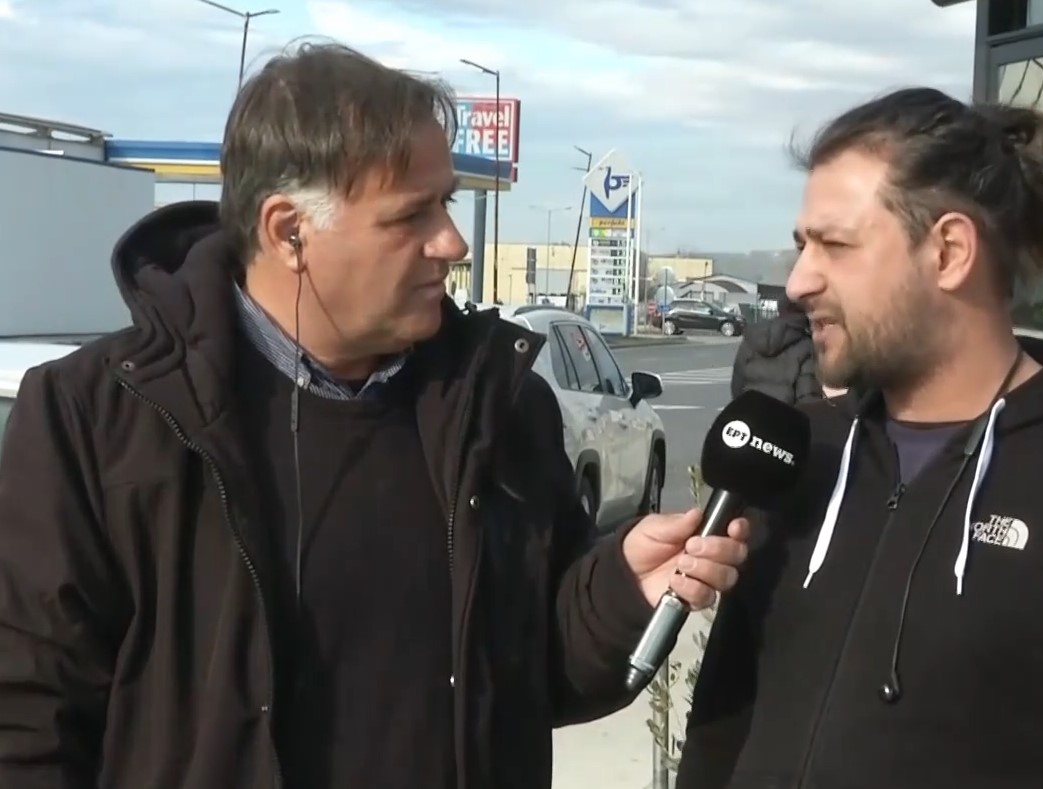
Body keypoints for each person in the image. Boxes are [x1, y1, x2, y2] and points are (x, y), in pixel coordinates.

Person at [0, 43, 752, 789]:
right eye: (410, 216)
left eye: (445, 203)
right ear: (289, 231)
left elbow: (530, 677)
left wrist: (618, 590)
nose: (452, 242)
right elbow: (27, 719)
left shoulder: (497, 410)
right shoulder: (101, 419)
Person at [677, 87, 1043, 789]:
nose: (799, 282)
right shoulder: (801, 456)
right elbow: (721, 736)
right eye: (802, 245)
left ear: (950, 252)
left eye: (835, 245)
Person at [729, 293, 823, 407]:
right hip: (785, 415)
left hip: (749, 412)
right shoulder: (806, 345)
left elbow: (737, 386)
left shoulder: (752, 339)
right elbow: (808, 398)